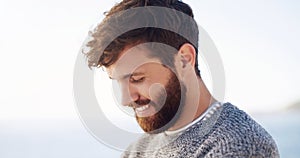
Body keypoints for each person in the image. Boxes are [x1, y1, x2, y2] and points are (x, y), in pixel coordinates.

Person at [84, 0, 279, 157]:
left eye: (137, 78)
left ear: (184, 59)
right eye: (117, 81)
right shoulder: (137, 151)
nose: (125, 99)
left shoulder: (238, 145)